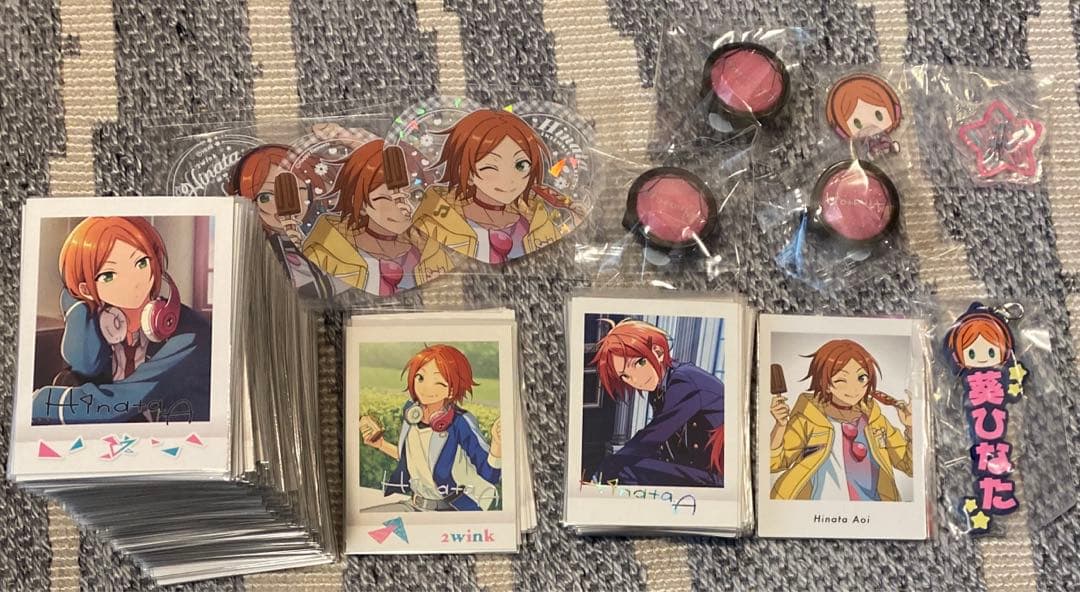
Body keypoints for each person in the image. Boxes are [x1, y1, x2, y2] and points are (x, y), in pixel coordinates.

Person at [32, 217, 211, 425]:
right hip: (124, 433)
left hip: (180, 437)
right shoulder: (106, 324)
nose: (133, 281)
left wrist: (39, 402)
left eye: (141, 263)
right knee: (67, 380)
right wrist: (76, 307)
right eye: (109, 275)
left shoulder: (188, 332)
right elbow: (84, 366)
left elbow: (117, 403)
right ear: (87, 289)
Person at [413, 109, 583, 264]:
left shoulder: (537, 217)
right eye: (491, 167)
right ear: (467, 172)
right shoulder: (435, 220)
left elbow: (556, 262)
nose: (509, 180)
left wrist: (575, 226)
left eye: (521, 165)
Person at [360, 344, 502, 511]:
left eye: (437, 382)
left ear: (451, 391)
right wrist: (381, 444)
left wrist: (497, 444)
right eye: (420, 378)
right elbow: (413, 459)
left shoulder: (460, 422)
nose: (425, 388)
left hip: (451, 511)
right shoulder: (412, 414)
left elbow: (490, 474)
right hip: (414, 505)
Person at [769, 339, 913, 501]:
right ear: (825, 383)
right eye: (841, 380)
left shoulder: (875, 421)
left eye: (861, 378)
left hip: (872, 510)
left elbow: (910, 466)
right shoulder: (808, 418)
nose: (854, 388)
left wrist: (911, 428)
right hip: (817, 510)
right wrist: (780, 426)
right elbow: (774, 463)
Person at [590, 319, 725, 487]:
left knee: (627, 469)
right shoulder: (659, 387)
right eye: (625, 375)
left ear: (658, 352)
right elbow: (662, 443)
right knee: (628, 467)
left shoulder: (685, 381)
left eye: (639, 363)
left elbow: (652, 436)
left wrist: (606, 469)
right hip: (691, 466)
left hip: (715, 477)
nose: (635, 379)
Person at [303, 139, 447, 295]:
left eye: (412, 195)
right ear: (360, 205)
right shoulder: (328, 251)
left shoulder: (428, 248)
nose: (403, 207)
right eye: (384, 199)